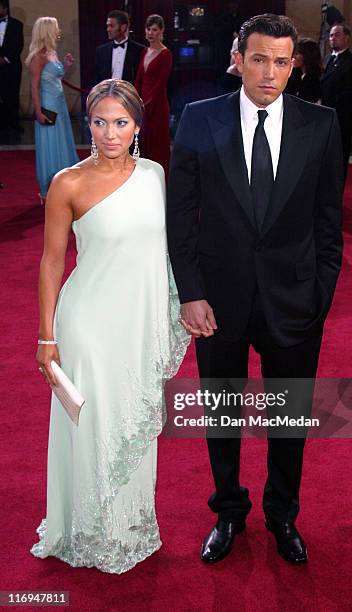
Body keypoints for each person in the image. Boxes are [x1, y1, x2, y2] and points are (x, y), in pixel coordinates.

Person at [167, 14, 343, 565]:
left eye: (282, 61)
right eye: (260, 59)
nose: (270, 73)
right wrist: (190, 291)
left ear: (296, 65)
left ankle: (282, 515)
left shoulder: (322, 124)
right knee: (221, 411)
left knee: (289, 418)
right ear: (239, 59)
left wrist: (320, 296)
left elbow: (329, 223)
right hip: (216, 301)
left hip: (295, 300)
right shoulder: (199, 118)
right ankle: (228, 511)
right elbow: (180, 216)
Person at [31, 79, 189, 573]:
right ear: (89, 124)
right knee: (94, 427)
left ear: (137, 125)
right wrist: (46, 336)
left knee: (133, 427)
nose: (109, 132)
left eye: (120, 122)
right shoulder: (68, 183)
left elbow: (168, 253)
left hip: (138, 323)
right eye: (99, 122)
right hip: (89, 326)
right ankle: (89, 530)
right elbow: (52, 263)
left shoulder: (155, 175)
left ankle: (129, 526)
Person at [26, 17, 79, 204]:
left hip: (60, 106)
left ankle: (65, 186)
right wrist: (39, 112)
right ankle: (49, 190)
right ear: (47, 31)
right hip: (48, 107)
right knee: (51, 145)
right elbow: (34, 87)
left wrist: (65, 65)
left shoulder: (52, 52)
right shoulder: (37, 57)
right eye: (56, 28)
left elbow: (55, 76)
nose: (59, 31)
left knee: (62, 142)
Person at [321, 23, 352, 176]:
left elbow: (349, 93)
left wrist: (325, 106)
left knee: (339, 156)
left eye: (337, 35)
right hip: (324, 117)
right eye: (331, 35)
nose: (332, 38)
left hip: (340, 117)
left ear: (346, 38)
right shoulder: (328, 59)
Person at [135, 14, 172, 174]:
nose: (150, 33)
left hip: (157, 104)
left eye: (154, 30)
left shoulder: (166, 54)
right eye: (148, 29)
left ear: (161, 31)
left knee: (157, 141)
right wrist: (135, 99)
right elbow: (139, 78)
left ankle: (160, 176)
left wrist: (147, 102)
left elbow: (160, 83)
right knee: (143, 140)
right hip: (141, 103)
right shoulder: (144, 51)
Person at [95, 10, 144, 85]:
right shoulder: (101, 51)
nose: (108, 29)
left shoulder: (140, 51)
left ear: (123, 27)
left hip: (128, 95)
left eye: (111, 26)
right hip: (107, 95)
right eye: (107, 26)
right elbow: (98, 80)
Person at [0, 0, 24, 132]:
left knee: (13, 94)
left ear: (4, 9)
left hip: (12, 67)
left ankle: (13, 123)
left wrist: (5, 58)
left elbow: (18, 45)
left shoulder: (17, 25)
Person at [286, 37, 322, 103]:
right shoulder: (294, 74)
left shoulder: (315, 79)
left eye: (297, 53)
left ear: (308, 55)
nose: (293, 56)